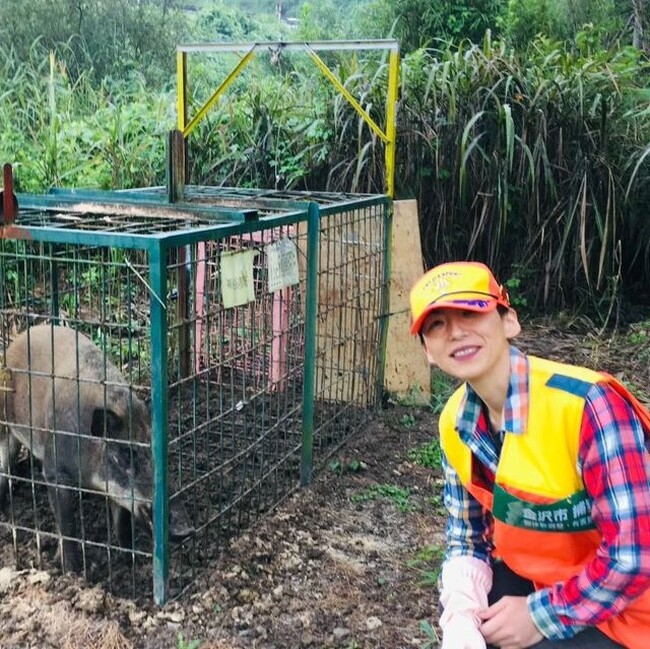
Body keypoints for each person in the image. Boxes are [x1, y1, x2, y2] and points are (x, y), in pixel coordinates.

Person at [408, 261, 650, 649]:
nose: (455, 332)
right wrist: (461, 616)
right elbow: (467, 538)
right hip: (553, 582)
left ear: (509, 322)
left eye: (471, 312)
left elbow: (634, 558)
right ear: (428, 352)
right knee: (480, 619)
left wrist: (539, 617)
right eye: (436, 324)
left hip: (635, 608)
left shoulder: (588, 405)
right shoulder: (455, 423)